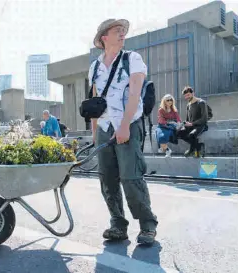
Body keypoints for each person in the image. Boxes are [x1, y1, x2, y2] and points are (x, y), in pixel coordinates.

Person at [89, 19, 158, 245]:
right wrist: (94, 132)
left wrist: (125, 125)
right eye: (117, 31)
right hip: (104, 127)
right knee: (107, 179)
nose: (122, 34)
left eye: (124, 31)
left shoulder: (132, 59)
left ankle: (147, 225)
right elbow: (95, 102)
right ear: (103, 38)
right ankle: (118, 224)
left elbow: (136, 94)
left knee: (131, 176)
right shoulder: (95, 67)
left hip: (128, 124)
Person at [177, 86, 209, 157]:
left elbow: (204, 118)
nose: (187, 97)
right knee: (178, 133)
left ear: (193, 93)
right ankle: (198, 146)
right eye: (185, 96)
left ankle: (192, 150)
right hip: (191, 125)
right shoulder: (188, 105)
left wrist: (192, 124)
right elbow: (187, 119)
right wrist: (184, 124)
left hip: (200, 125)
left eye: (188, 95)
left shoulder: (201, 102)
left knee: (191, 135)